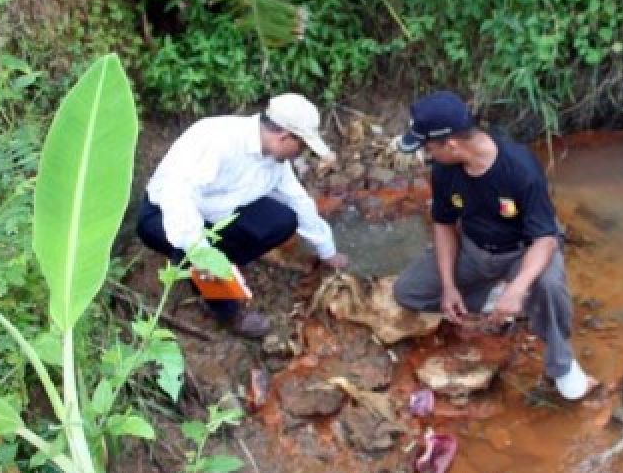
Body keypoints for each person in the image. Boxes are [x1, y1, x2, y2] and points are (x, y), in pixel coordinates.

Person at [392, 91, 597, 401]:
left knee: (549, 286)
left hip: (523, 250)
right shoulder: (445, 170)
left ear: (452, 144)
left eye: (429, 147)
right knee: (407, 291)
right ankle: (494, 299)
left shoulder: (519, 168)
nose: (427, 154)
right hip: (475, 248)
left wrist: (518, 287)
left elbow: (545, 238)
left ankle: (562, 364)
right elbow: (444, 224)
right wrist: (448, 286)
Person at [137, 93, 349, 336]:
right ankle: (224, 309)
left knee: (284, 220)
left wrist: (327, 251)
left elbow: (298, 201)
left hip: (219, 214)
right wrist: (203, 254)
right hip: (165, 214)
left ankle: (224, 264)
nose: (300, 154)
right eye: (301, 147)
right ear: (284, 137)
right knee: (191, 246)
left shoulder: (274, 160)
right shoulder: (218, 140)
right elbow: (178, 198)